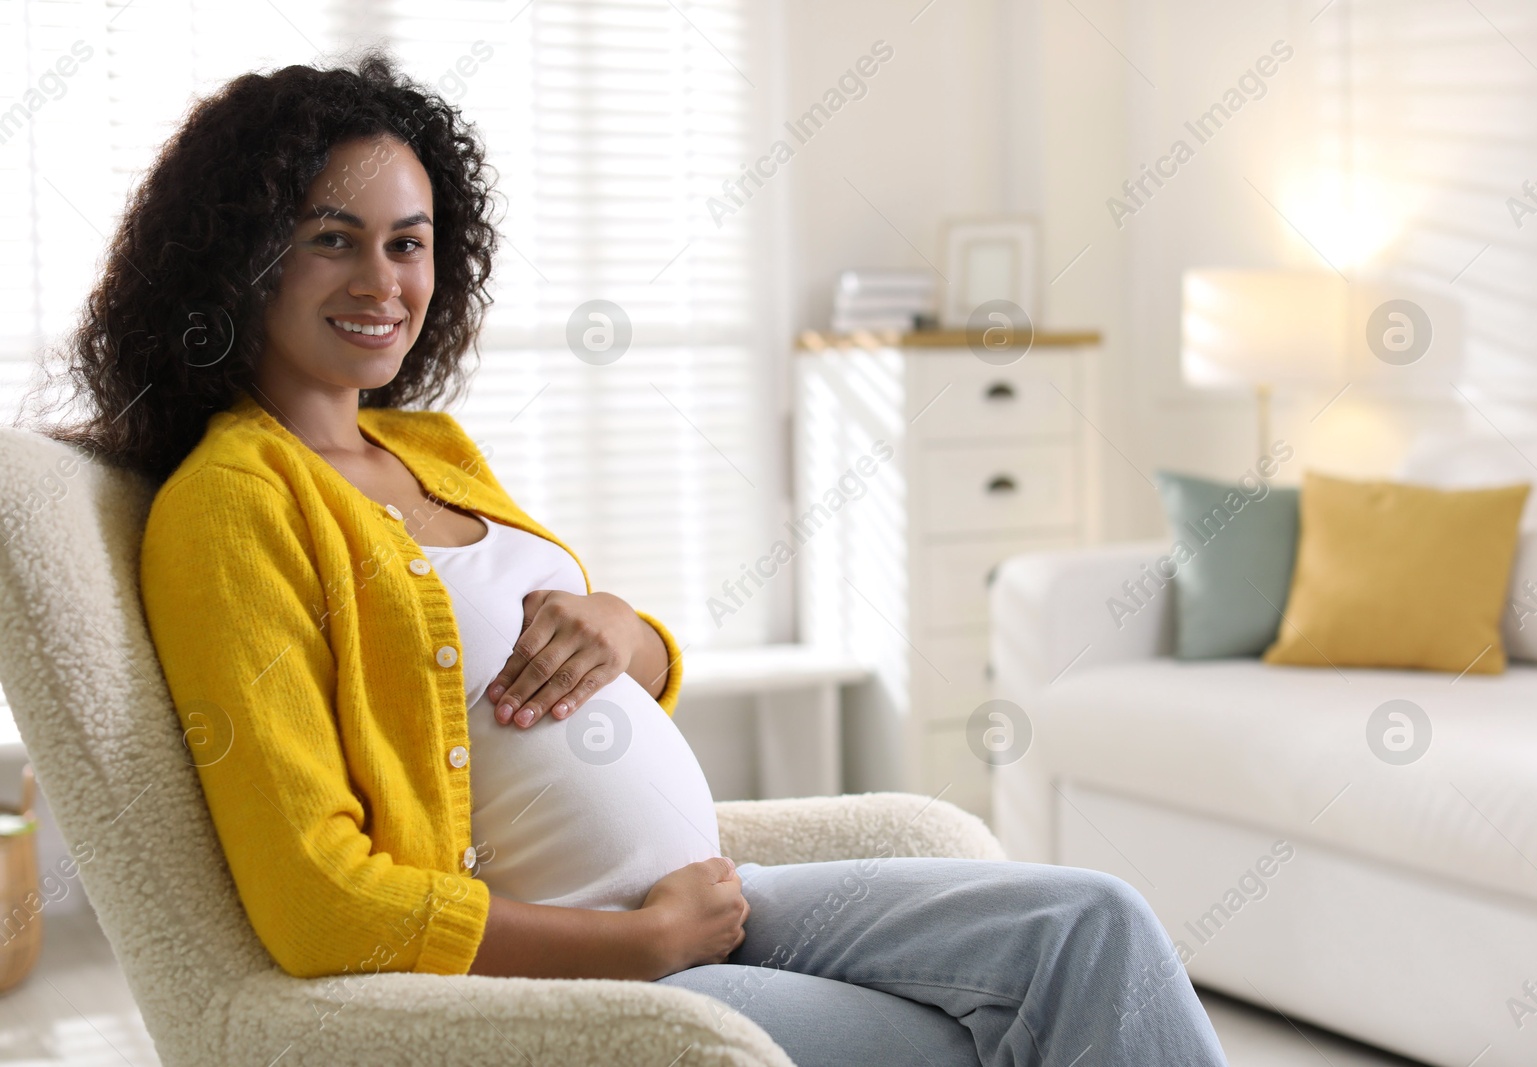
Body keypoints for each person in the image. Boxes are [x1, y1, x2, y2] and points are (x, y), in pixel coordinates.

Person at [32, 54, 1228, 1066]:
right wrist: (637, 946)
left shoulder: (427, 446)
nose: (383, 283)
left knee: (1094, 926)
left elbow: (584, 665)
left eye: (409, 241)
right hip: (579, 958)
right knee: (970, 1038)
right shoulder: (231, 509)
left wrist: (629, 629)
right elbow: (319, 900)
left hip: (708, 895)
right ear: (242, 260)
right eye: (331, 240)